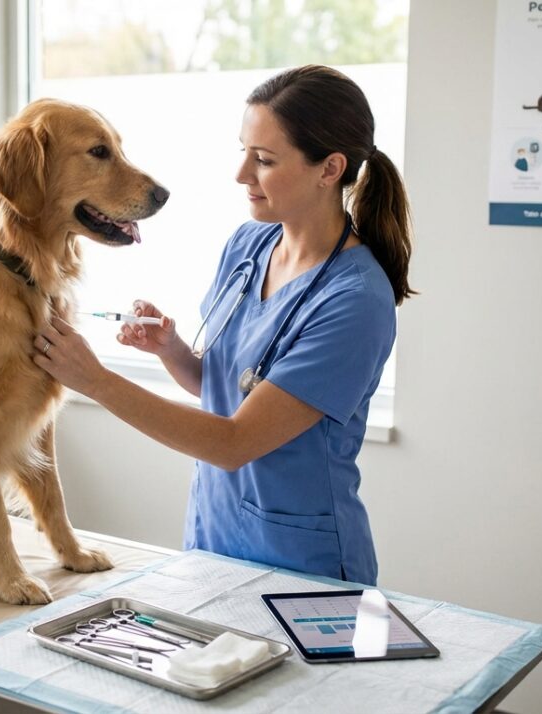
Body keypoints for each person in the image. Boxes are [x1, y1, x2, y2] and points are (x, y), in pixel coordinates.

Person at [33, 65, 414, 586]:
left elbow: (234, 440)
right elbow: (226, 387)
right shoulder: (249, 245)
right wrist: (174, 352)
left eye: (264, 160)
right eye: (244, 152)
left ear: (330, 169)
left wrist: (95, 380)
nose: (241, 175)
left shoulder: (354, 300)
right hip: (212, 541)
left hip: (304, 568)